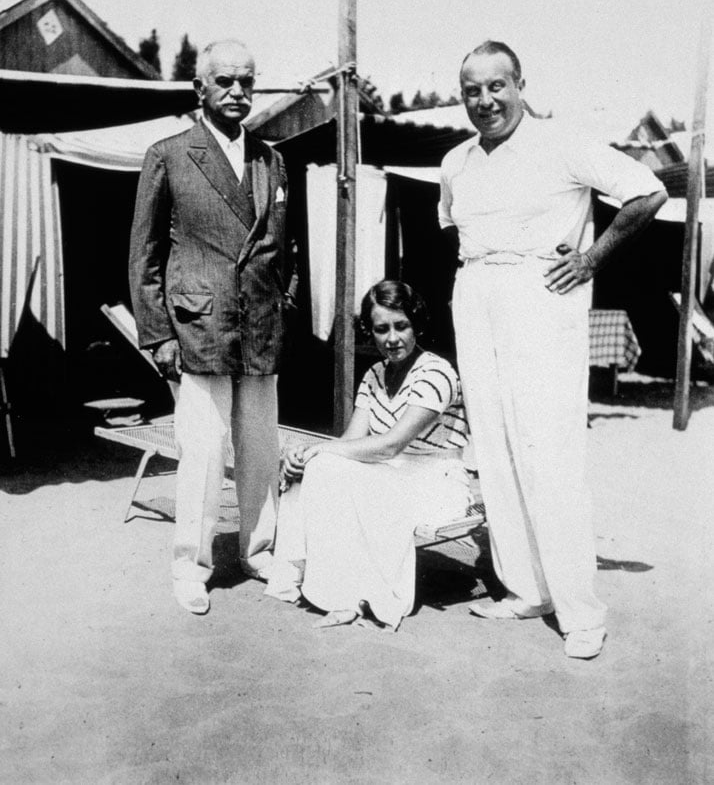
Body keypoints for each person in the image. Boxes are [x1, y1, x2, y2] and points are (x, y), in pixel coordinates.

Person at [439, 40, 667, 658]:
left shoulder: (561, 142)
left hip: (541, 295)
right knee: (497, 445)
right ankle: (527, 588)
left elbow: (647, 192)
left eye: (496, 86)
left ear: (519, 85)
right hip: (476, 292)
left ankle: (580, 611)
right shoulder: (456, 161)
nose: (484, 101)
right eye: (471, 90)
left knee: (550, 452)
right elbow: (456, 235)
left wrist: (592, 257)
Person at [129, 39, 296, 614]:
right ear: (199, 89)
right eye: (225, 81)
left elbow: (285, 249)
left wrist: (285, 301)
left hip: (259, 327)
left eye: (247, 81)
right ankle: (191, 564)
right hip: (201, 327)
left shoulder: (272, 160)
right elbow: (144, 255)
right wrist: (158, 333)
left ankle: (259, 549)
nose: (238, 92)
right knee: (202, 449)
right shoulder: (170, 154)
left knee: (260, 447)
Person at [265, 280, 472, 630]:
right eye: (381, 329)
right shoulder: (375, 374)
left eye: (401, 326)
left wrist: (317, 449)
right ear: (370, 332)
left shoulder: (436, 372)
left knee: (327, 463)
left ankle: (355, 596)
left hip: (436, 483)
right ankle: (334, 593)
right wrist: (308, 457)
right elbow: (351, 441)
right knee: (322, 468)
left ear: (416, 324)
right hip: (387, 473)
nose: (392, 338)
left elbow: (391, 444)